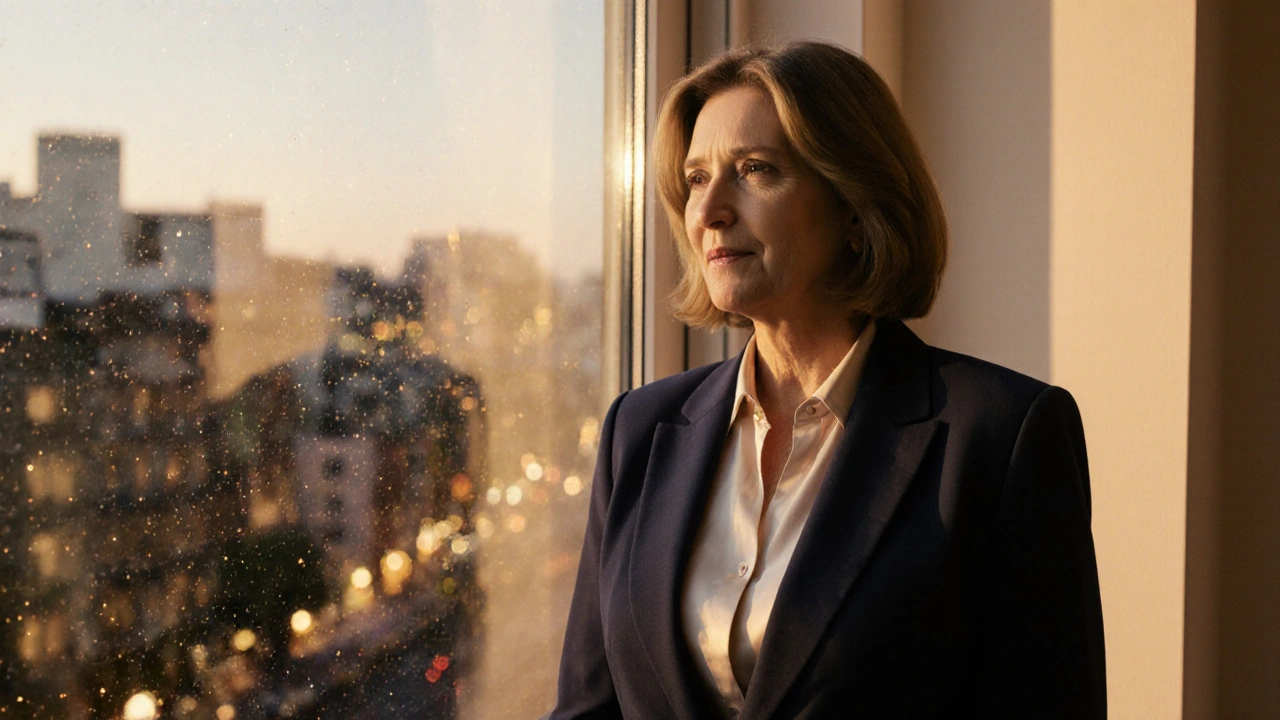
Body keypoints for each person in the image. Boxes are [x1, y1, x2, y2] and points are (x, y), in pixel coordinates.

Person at [550, 41, 1105, 720]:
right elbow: (587, 710)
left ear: (853, 204)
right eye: (696, 178)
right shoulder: (637, 430)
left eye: (754, 170)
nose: (710, 210)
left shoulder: (1001, 434)